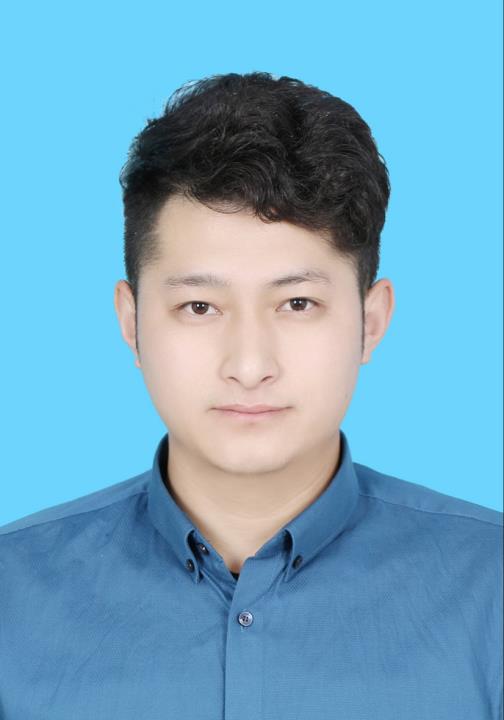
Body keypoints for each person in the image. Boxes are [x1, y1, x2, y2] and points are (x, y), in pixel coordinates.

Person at [0, 71, 502, 719]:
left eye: (297, 303)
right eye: (200, 306)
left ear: (371, 322)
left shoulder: (490, 590)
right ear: (131, 322)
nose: (249, 365)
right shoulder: (12, 596)